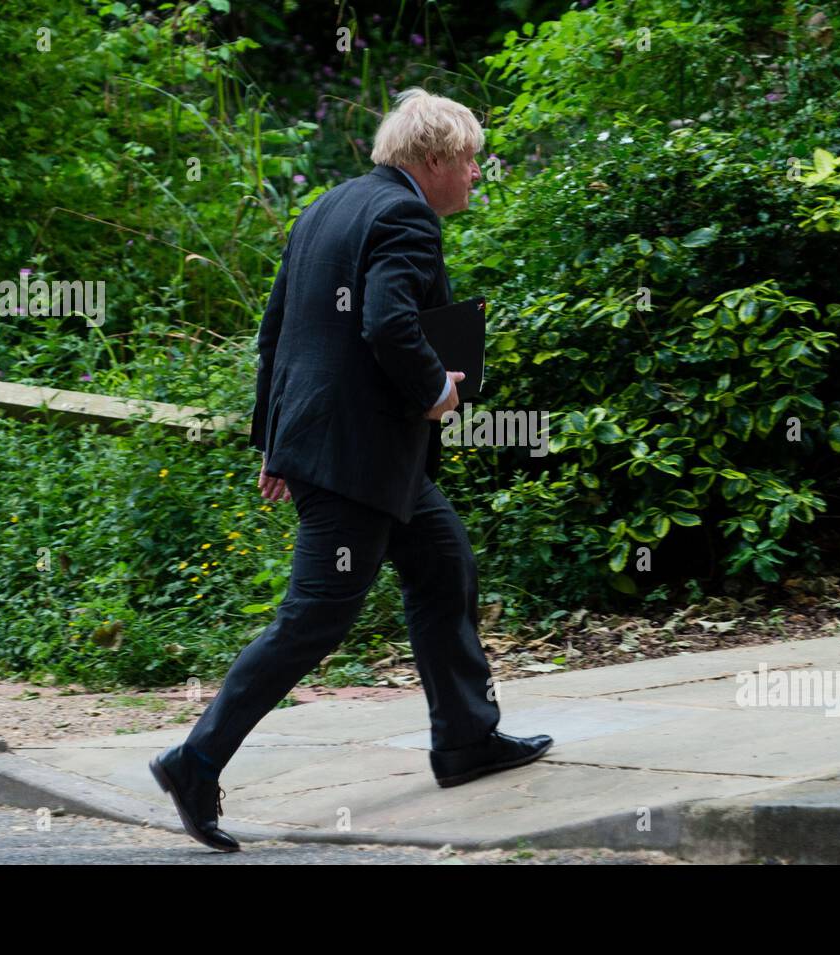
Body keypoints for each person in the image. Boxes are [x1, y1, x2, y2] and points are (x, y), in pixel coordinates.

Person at [150, 88, 552, 852]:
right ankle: (194, 759)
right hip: (356, 458)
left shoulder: (328, 205)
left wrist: (274, 437)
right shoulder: (406, 217)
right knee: (314, 617)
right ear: (432, 161)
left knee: (443, 566)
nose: (474, 174)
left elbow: (277, 331)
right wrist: (439, 390)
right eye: (468, 160)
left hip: (350, 449)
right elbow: (386, 322)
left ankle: (467, 739)